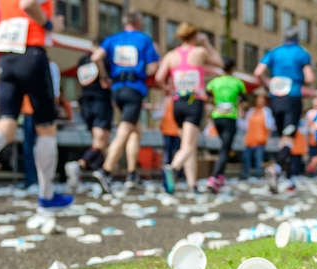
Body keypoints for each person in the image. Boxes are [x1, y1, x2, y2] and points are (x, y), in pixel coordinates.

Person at [0, 0, 73, 216]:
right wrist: (47, 24)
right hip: (32, 53)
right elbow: (28, 4)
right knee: (46, 128)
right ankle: (47, 196)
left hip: (7, 58)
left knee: (6, 125)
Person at [90, 9, 159, 193]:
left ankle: (132, 173)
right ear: (138, 22)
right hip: (134, 89)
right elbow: (152, 69)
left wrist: (104, 76)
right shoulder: (144, 39)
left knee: (136, 131)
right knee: (125, 129)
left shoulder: (113, 39)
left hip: (117, 90)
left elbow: (96, 56)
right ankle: (106, 169)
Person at [155, 22, 223, 195]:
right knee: (187, 145)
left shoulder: (171, 55)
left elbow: (158, 77)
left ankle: (192, 185)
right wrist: (206, 43)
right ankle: (173, 168)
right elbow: (219, 62)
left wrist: (167, 88)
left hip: (177, 103)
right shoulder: (199, 52)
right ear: (195, 36)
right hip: (194, 101)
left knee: (189, 145)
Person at [253, 26, 315, 193]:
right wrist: (301, 80)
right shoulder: (302, 53)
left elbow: (258, 72)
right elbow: (310, 77)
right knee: (288, 139)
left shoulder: (274, 52)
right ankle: (277, 168)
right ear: (297, 38)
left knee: (283, 140)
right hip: (292, 99)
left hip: (275, 99)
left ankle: (289, 180)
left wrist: (267, 84)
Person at [64, 39, 113, 191]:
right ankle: (80, 165)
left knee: (97, 140)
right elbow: (106, 81)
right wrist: (104, 75)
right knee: (101, 141)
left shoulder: (82, 60)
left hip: (85, 102)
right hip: (100, 101)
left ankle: (99, 174)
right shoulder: (104, 59)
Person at [205, 57, 247, 193]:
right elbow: (244, 101)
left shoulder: (214, 82)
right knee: (225, 149)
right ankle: (214, 177)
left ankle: (220, 176)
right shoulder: (238, 83)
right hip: (230, 118)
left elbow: (207, 95)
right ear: (233, 68)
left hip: (216, 117)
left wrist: (213, 104)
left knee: (225, 146)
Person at [20, 60, 61, 188]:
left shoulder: (48, 66)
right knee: (37, 146)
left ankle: (39, 180)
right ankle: (38, 181)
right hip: (34, 110)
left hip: (38, 110)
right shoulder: (50, 66)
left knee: (33, 146)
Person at [239, 92, 274, 179]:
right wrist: (241, 115)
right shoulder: (251, 111)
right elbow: (245, 125)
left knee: (258, 159)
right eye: (258, 100)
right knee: (246, 158)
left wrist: (268, 136)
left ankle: (258, 175)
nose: (260, 102)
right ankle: (245, 174)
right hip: (250, 140)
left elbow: (270, 125)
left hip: (260, 140)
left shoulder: (266, 111)